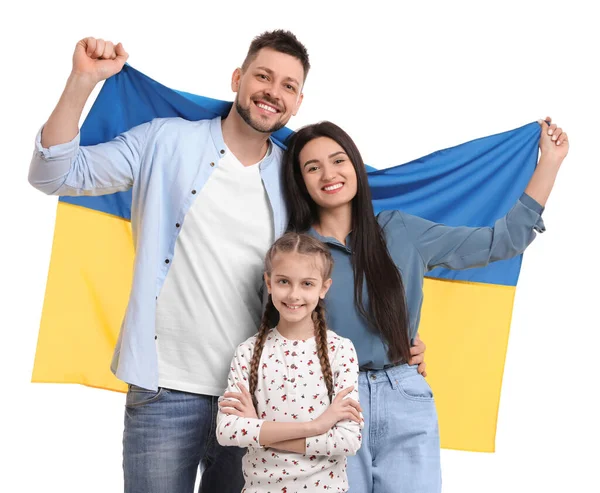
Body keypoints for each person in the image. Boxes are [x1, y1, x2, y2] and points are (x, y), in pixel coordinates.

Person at [27, 31, 426, 492]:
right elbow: (53, 174)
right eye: (263, 76)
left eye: (288, 86)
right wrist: (83, 81)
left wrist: (395, 339)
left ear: (297, 103)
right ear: (238, 79)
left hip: (259, 398)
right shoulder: (165, 141)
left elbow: (336, 260)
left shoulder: (295, 178)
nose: (273, 92)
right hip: (163, 388)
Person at [282, 118, 568, 493]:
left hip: (404, 396)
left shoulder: (400, 231)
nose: (328, 174)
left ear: (355, 165)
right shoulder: (294, 253)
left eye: (338, 160)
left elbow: (504, 241)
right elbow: (275, 339)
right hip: (327, 401)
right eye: (312, 167)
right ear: (300, 181)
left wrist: (550, 161)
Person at [216, 232, 362, 492]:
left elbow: (347, 440)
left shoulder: (341, 350)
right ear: (269, 282)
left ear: (323, 288)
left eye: (307, 284)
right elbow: (229, 431)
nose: (294, 294)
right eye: (284, 281)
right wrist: (316, 426)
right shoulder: (248, 352)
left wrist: (260, 432)